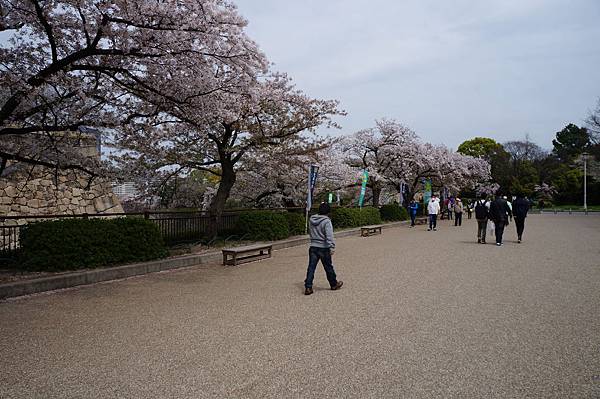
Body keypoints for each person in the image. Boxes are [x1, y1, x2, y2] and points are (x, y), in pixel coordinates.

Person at [304, 202, 343, 295]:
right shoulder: (326, 221)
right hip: (324, 247)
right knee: (328, 267)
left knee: (311, 267)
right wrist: (332, 247)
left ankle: (308, 287)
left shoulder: (311, 220)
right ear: (328, 212)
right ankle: (333, 284)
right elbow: (329, 235)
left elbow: (310, 232)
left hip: (313, 246)